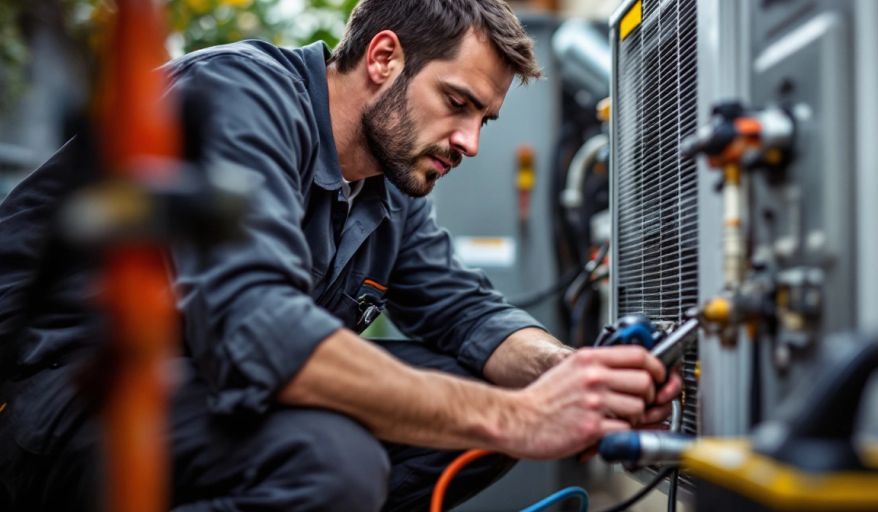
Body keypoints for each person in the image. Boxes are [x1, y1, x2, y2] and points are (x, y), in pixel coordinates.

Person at [0, 0, 682, 510]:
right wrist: (524, 421)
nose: (470, 142)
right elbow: (257, 332)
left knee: (505, 387)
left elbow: (463, 310)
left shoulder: (389, 186)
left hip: (200, 390)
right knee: (330, 458)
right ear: (383, 59)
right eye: (457, 103)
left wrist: (570, 380)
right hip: (59, 398)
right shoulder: (237, 99)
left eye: (484, 120)